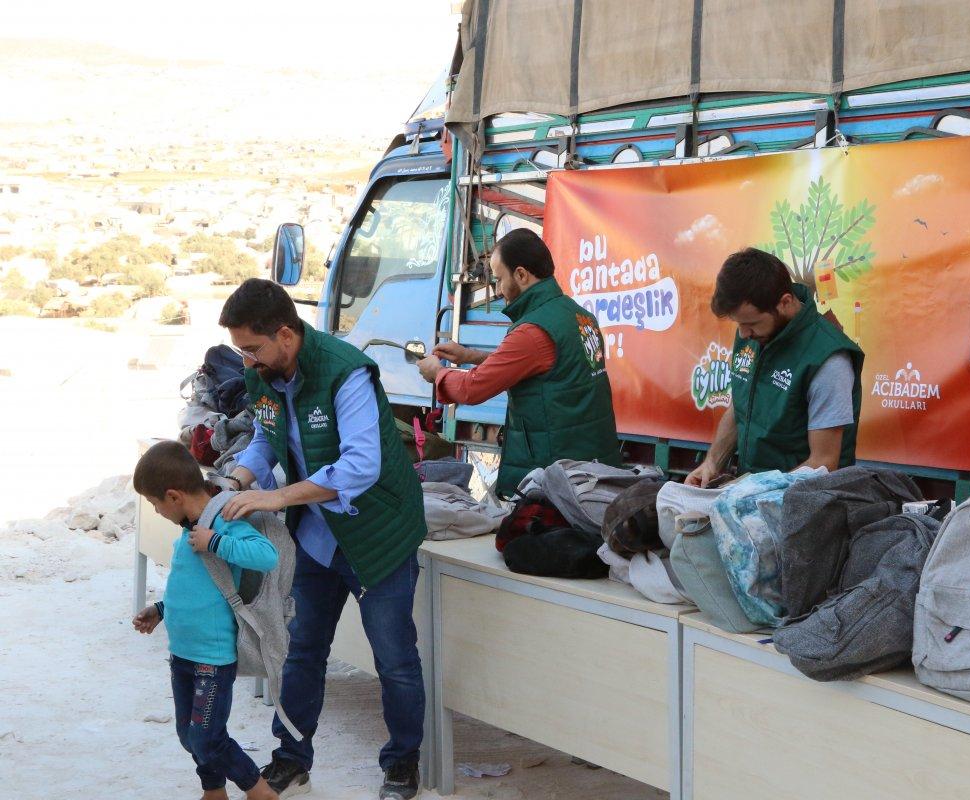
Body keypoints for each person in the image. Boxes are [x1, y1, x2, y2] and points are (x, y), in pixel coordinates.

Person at [218, 278, 427, 800]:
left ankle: (402, 765)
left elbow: (360, 464)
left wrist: (275, 498)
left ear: (285, 335)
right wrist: (236, 482)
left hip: (377, 536)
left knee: (394, 660)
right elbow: (267, 438)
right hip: (315, 537)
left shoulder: (345, 371)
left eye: (252, 348)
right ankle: (291, 760)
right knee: (301, 651)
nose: (245, 361)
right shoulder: (263, 375)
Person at [417, 228, 622, 497]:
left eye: (500, 279)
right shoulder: (579, 316)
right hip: (590, 465)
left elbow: (472, 388)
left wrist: (438, 373)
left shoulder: (532, 331)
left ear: (522, 274)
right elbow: (542, 367)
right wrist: (470, 356)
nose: (499, 290)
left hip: (556, 475)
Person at [131, 441, 280, 800]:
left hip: (211, 659)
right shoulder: (188, 529)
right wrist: (161, 610)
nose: (156, 511)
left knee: (207, 735)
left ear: (173, 496)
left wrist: (216, 543)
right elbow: (193, 586)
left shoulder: (222, 524)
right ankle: (214, 791)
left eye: (154, 504)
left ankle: (260, 791)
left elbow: (266, 555)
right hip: (182, 654)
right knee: (189, 734)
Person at [686, 248, 864, 486]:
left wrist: (750, 489)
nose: (743, 334)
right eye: (738, 324)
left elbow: (824, 463)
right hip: (750, 494)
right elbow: (741, 406)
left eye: (751, 324)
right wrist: (712, 463)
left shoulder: (829, 359)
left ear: (785, 302)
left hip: (808, 506)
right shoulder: (755, 334)